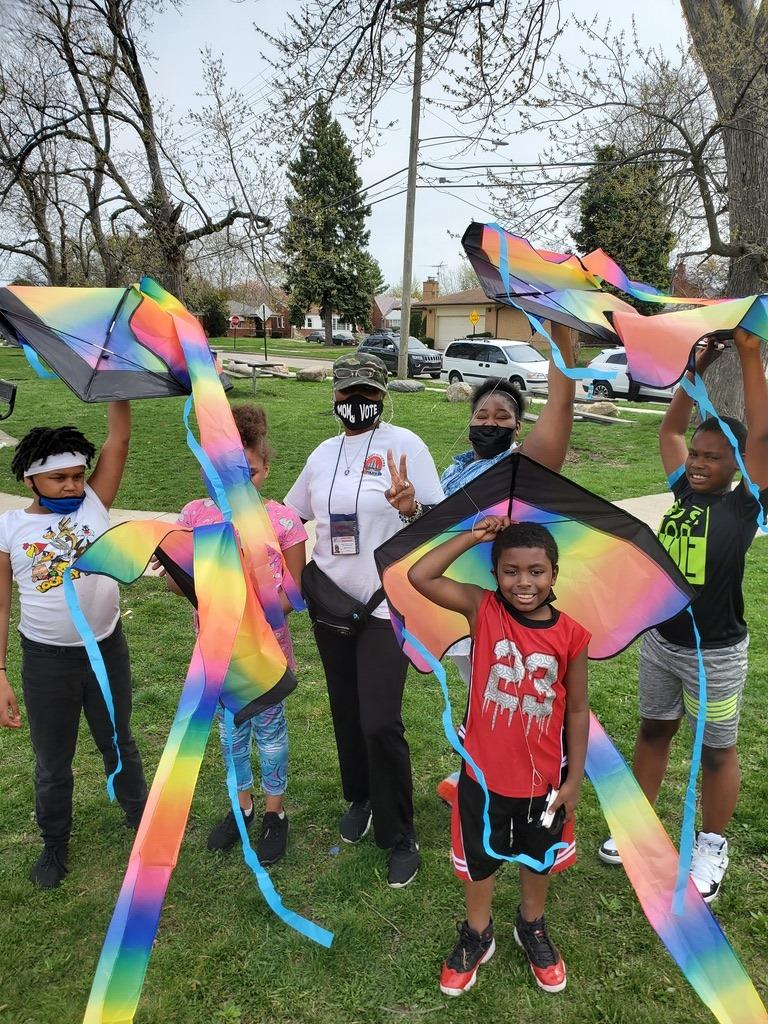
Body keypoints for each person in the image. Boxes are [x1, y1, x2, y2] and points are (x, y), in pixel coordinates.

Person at [598, 329, 768, 903]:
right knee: (654, 729)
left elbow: (763, 435)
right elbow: (671, 429)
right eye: (696, 455)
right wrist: (698, 368)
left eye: (711, 458)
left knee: (716, 749)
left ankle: (711, 846)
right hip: (661, 643)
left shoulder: (746, 503)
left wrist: (749, 354)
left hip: (716, 653)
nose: (696, 464)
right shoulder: (684, 491)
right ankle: (640, 825)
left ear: (738, 465)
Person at [408, 518, 589, 995]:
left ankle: (531, 926)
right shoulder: (482, 608)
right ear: (495, 574)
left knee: (538, 859)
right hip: (484, 779)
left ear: (554, 573)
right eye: (510, 571)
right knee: (481, 861)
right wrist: (472, 536)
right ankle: (477, 933)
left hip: (546, 783)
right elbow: (421, 577)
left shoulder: (572, 635)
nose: (523, 583)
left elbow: (577, 707)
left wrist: (574, 780)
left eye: (536, 571)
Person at [285, 352, 445, 888]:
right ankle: (359, 796)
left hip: (383, 606)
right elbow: (291, 516)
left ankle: (400, 832)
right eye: (349, 395)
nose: (358, 404)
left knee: (380, 720)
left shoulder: (408, 447)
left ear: (383, 396)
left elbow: (436, 527)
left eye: (368, 395)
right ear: (334, 398)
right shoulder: (323, 454)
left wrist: (409, 508)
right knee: (346, 711)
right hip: (330, 603)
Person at [0, 404, 148, 888]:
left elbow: (119, 440)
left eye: (78, 476)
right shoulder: (10, 530)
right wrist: (0, 673)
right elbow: (2, 607)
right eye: (59, 478)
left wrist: (115, 384)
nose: (71, 486)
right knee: (52, 758)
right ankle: (54, 841)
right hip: (46, 661)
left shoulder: (93, 505)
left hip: (106, 649)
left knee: (117, 740)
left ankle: (139, 819)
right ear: (29, 479)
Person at [437, 323, 577, 802]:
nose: (491, 422)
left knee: (520, 697)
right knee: (481, 691)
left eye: (503, 415)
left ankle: (531, 776)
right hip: (459, 601)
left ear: (518, 426)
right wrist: (412, 509)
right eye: (482, 413)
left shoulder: (523, 467)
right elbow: (439, 527)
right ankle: (475, 771)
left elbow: (559, 408)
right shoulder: (455, 468)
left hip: (508, 609)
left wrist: (561, 338)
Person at [169, 404, 306, 866]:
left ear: (264, 471)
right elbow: (177, 583)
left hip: (266, 649)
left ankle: (275, 813)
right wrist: (179, 567)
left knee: (270, 732)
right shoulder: (194, 514)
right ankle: (242, 806)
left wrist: (255, 616)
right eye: (228, 472)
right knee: (231, 734)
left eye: (248, 472)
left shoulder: (285, 522)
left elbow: (295, 592)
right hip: (216, 649)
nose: (238, 482)